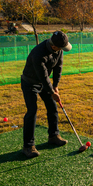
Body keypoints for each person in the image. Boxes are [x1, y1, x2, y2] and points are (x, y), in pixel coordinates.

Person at [20, 30, 73, 158]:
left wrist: (56, 85)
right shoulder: (38, 53)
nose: (62, 50)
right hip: (30, 82)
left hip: (45, 82)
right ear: (53, 46)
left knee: (52, 107)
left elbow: (58, 67)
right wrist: (51, 92)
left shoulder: (58, 50)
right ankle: (28, 146)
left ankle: (53, 136)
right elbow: (43, 76)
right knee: (32, 111)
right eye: (61, 48)